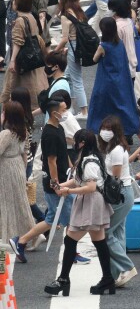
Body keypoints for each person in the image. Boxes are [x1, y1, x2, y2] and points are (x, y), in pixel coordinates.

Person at [43, 130, 115, 297]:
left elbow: (90, 187)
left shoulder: (89, 161)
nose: (73, 143)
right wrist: (63, 186)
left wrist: (68, 190)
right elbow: (78, 180)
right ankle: (107, 279)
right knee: (100, 242)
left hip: (90, 202)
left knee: (70, 239)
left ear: (82, 142)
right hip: (91, 202)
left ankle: (63, 279)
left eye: (76, 140)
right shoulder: (88, 157)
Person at [8, 97, 73, 264]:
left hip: (62, 180)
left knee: (54, 218)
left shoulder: (58, 127)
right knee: (69, 218)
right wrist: (56, 184)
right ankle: (71, 252)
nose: (67, 112)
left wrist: (72, 168)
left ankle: (21, 241)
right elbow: (51, 161)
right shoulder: (50, 133)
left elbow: (63, 153)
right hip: (55, 184)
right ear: (54, 113)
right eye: (64, 109)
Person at [96, 115, 136, 286]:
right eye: (103, 128)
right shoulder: (115, 148)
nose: (104, 132)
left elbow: (115, 177)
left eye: (108, 129)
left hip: (120, 194)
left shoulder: (117, 151)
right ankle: (115, 274)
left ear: (116, 132)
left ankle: (127, 267)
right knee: (118, 232)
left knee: (105, 233)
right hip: (123, 194)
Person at [0, 0, 48, 106]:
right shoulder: (31, 16)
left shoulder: (20, 20)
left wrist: (12, 60)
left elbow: (17, 42)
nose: (12, 2)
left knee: (15, 85)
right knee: (30, 83)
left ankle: (16, 110)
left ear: (18, 4)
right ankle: (28, 109)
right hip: (32, 56)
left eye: (14, 1)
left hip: (21, 58)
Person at [0, 101, 34, 254]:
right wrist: (24, 171)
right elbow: (25, 153)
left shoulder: (6, 134)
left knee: (6, 203)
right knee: (21, 203)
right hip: (19, 167)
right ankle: (32, 234)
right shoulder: (23, 131)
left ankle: (8, 238)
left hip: (6, 168)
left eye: (3, 112)